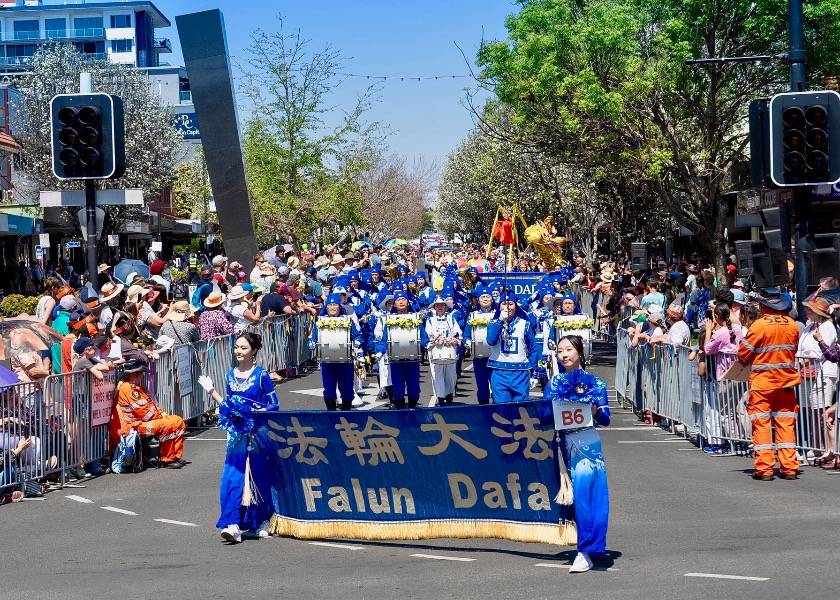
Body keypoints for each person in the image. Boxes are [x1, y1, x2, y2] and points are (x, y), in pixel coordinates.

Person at [198, 332, 278, 544]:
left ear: (253, 350)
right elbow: (228, 405)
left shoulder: (262, 375)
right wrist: (213, 392)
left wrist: (254, 411)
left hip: (258, 434)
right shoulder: (229, 375)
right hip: (235, 435)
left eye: (243, 348)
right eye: (237, 348)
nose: (238, 352)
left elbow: (274, 404)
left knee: (257, 477)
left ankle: (262, 520)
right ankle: (232, 524)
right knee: (232, 477)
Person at [543, 335, 610, 573]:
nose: (564, 355)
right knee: (569, 500)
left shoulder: (596, 384)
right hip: (561, 445)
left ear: (580, 352)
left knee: (587, 498)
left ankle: (585, 551)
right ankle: (585, 545)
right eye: (560, 350)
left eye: (569, 349)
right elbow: (543, 417)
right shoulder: (553, 383)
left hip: (587, 444)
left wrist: (592, 408)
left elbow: (605, 419)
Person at [736, 288, 801, 481]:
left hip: (763, 384)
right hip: (786, 383)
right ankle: (789, 467)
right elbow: (793, 350)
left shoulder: (759, 326)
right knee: (786, 425)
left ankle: (764, 469)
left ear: (764, 305)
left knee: (762, 425)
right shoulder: (791, 325)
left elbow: (743, 354)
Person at [109, 359, 186, 469]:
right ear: (136, 374)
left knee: (178, 421)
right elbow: (144, 412)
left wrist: (163, 414)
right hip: (134, 427)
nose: (143, 376)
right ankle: (167, 460)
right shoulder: (128, 389)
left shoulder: (135, 388)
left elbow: (150, 406)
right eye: (141, 374)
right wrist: (161, 416)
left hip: (142, 422)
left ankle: (175, 456)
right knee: (167, 425)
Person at [798, 296, 838, 464]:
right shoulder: (808, 326)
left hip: (823, 373)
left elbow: (822, 352)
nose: (807, 310)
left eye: (810, 308)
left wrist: (801, 361)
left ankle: (830, 449)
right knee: (812, 411)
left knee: (824, 411)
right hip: (806, 372)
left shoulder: (828, 327)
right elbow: (801, 348)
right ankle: (817, 447)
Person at [309, 294, 364, 410]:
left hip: (345, 362)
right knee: (328, 388)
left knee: (347, 388)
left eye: (335, 305)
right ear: (326, 307)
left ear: (339, 307)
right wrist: (312, 343)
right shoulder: (321, 322)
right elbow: (313, 337)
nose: (333, 308)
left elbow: (358, 336)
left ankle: (346, 412)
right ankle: (331, 415)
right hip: (327, 362)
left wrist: (357, 343)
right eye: (330, 305)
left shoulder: (347, 320)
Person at [486, 291, 538, 403]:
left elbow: (533, 349)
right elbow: (491, 340)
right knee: (502, 411)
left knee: (521, 411)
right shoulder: (493, 323)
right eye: (504, 303)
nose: (507, 307)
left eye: (511, 304)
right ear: (499, 306)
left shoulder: (525, 324)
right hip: (499, 372)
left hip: (520, 373)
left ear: (516, 306)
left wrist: (534, 373)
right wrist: (500, 321)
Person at [424, 296, 462, 405]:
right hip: (436, 351)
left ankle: (449, 397)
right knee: (437, 375)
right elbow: (427, 336)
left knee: (450, 375)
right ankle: (440, 399)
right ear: (434, 307)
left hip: (449, 350)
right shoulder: (430, 320)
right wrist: (434, 341)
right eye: (437, 305)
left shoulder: (451, 318)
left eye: (442, 305)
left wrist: (455, 340)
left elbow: (458, 333)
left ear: (445, 306)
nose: (440, 307)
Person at [463, 286, 496, 404]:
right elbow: (466, 335)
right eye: (483, 297)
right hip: (479, 357)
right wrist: (467, 342)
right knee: (482, 386)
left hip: (496, 357)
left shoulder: (498, 315)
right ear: (478, 300)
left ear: (492, 299)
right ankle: (484, 410)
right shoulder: (473, 316)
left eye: (488, 297)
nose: (486, 299)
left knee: (497, 386)